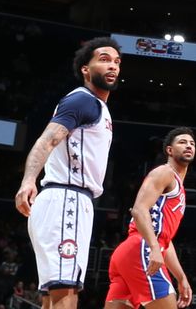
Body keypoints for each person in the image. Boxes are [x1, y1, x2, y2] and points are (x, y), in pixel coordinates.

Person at [16, 37, 121, 309]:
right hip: (67, 199)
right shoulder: (82, 101)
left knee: (53, 296)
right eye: (104, 59)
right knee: (66, 292)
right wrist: (28, 180)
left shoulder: (97, 106)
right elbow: (47, 139)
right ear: (86, 69)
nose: (113, 66)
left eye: (117, 62)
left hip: (64, 200)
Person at [103, 129, 196, 309]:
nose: (188, 146)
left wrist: (181, 277)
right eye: (182, 142)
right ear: (169, 150)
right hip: (141, 249)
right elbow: (138, 210)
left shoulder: (178, 188)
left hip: (130, 253)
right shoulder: (164, 172)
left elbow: (165, 241)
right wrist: (153, 248)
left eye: (192, 143)